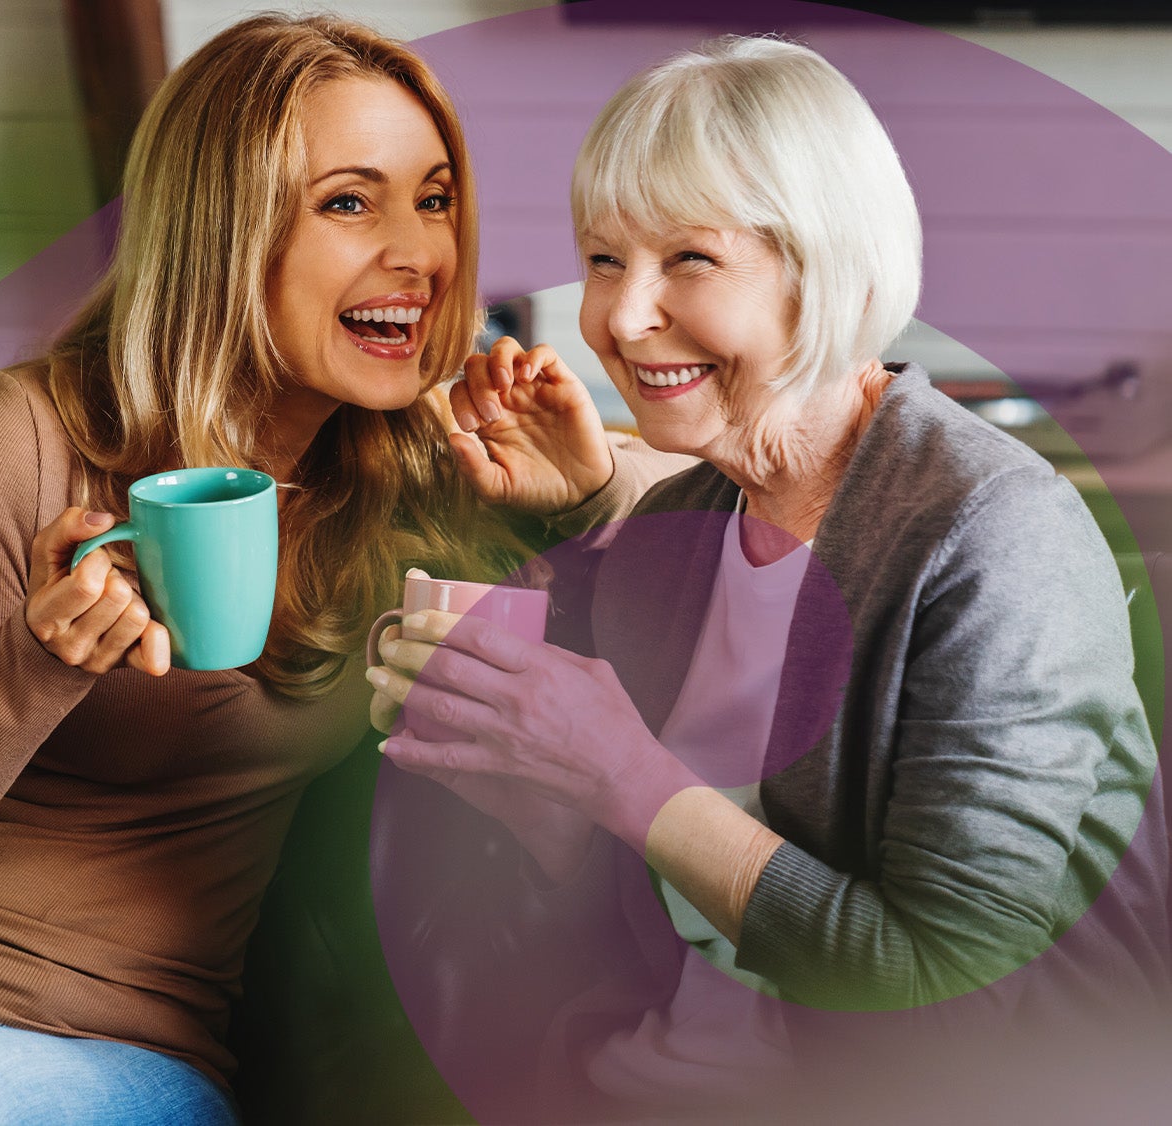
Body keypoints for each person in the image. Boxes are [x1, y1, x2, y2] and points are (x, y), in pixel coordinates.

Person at [0, 14, 636, 1125]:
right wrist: (34, 664)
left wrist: (588, 500)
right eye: (349, 202)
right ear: (223, 230)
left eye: (435, 196)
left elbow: (697, 592)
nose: (417, 251)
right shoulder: (27, 432)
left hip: (127, 1052)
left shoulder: (421, 479)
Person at [367, 33, 1164, 1119]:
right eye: (603, 259)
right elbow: (641, 902)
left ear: (824, 267)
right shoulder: (681, 522)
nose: (622, 315)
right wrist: (530, 789)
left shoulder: (991, 534)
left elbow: (943, 984)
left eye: (687, 259)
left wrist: (618, 773)